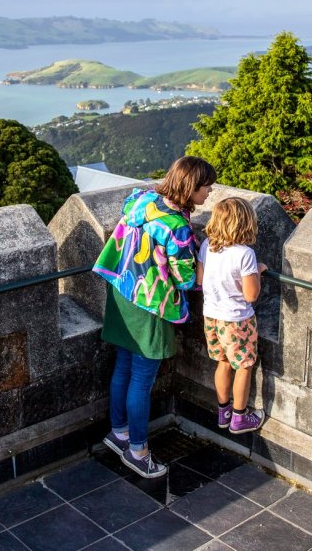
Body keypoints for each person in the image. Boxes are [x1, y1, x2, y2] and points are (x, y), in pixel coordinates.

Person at [93, 155, 216, 478]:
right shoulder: (175, 228)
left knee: (123, 365)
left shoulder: (142, 199)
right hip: (151, 303)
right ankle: (137, 451)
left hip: (121, 293)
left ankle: (118, 433)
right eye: (206, 188)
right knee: (142, 379)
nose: (209, 194)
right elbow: (188, 280)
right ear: (190, 187)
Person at [196, 196, 267, 434]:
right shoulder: (244, 253)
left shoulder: (207, 245)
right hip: (237, 319)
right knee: (244, 366)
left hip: (211, 316)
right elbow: (251, 294)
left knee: (223, 362)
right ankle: (239, 418)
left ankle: (223, 412)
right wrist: (257, 271)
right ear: (246, 223)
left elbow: (199, 279)